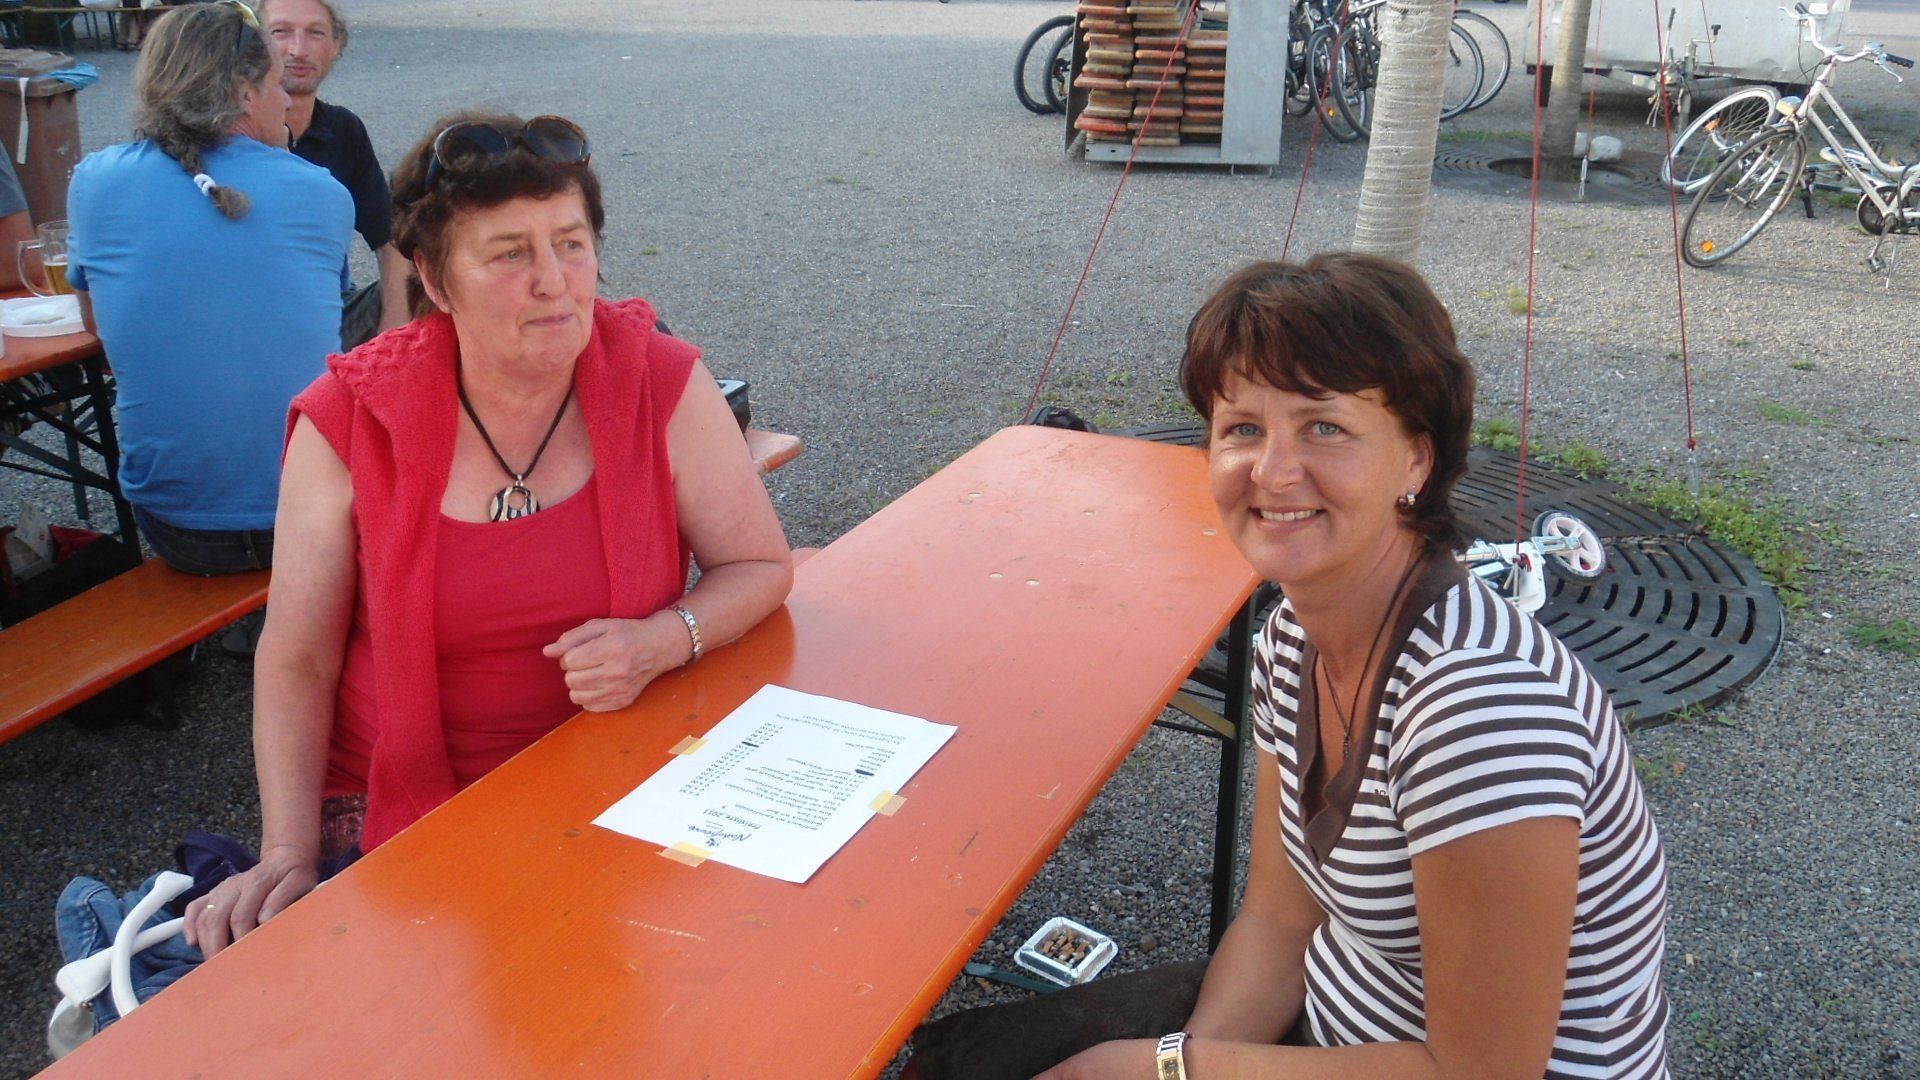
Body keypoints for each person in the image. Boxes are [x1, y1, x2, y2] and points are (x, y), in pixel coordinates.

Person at [913, 255, 1670, 1079]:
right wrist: (1180, 1063)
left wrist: (1162, 1070)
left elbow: (1481, 1072)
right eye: (1242, 428)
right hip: (1335, 1028)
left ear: (1416, 460)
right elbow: (1281, 916)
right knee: (958, 1061)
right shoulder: (1294, 638)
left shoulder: (1478, 713)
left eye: (1325, 428)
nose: (1273, 472)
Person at [182, 110, 794, 957]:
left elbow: (759, 564)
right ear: (436, 281)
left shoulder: (658, 379)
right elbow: (297, 657)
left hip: (623, 770)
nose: (555, 281)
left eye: (570, 244)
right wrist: (286, 848)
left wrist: (665, 637)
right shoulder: (349, 423)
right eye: (510, 254)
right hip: (408, 807)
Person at [67, 1, 351, 575]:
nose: (286, 102)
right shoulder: (320, 191)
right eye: (278, 85)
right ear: (245, 93)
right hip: (312, 520)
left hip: (177, 526)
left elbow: (98, 329)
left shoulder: (95, 181)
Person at [259, 0, 410, 346]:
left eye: (315, 33)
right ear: (255, 43)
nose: (298, 50)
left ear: (336, 46)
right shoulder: (233, 130)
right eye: (280, 32)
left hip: (329, 311)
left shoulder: (343, 130)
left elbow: (390, 240)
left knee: (438, 291)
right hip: (248, 318)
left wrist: (393, 334)